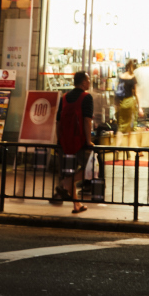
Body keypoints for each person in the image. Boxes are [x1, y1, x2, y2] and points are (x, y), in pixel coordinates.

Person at [52, 69, 93, 213]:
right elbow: (87, 120)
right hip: (80, 141)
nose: (89, 82)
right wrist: (89, 141)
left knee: (69, 171)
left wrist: (59, 139)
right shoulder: (86, 97)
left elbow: (58, 121)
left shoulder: (64, 97)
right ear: (83, 82)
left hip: (64, 141)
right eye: (88, 80)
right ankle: (65, 184)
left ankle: (76, 205)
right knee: (92, 169)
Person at [114, 59, 139, 140]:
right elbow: (136, 93)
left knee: (121, 127)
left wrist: (116, 105)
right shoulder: (133, 77)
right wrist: (140, 106)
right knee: (130, 127)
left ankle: (117, 149)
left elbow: (117, 91)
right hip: (130, 102)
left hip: (121, 103)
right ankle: (128, 148)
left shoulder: (121, 77)